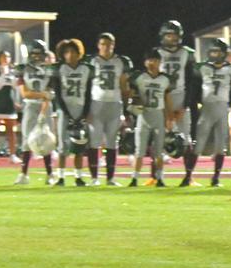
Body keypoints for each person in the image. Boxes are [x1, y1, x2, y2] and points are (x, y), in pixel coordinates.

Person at [155, 21, 201, 187]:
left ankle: (188, 176)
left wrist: (185, 105)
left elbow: (191, 82)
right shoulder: (157, 53)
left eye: (174, 35)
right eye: (168, 35)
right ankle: (158, 177)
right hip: (162, 97)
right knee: (160, 138)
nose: (171, 38)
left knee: (186, 140)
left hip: (181, 96)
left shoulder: (187, 53)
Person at [187, 38, 231, 187]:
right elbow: (194, 88)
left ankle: (216, 178)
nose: (215, 54)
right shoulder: (202, 68)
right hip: (206, 107)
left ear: (224, 53)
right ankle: (188, 176)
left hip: (222, 108)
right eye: (213, 51)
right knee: (198, 144)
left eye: (218, 52)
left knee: (221, 145)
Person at [87, 32, 132, 186]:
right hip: (97, 103)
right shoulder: (92, 61)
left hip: (115, 103)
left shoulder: (121, 61)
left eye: (110, 44)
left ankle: (110, 178)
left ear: (114, 45)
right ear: (98, 45)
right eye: (104, 44)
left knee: (112, 141)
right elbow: (86, 85)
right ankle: (94, 177)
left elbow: (124, 86)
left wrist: (126, 109)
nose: (107, 47)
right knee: (95, 140)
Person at [127, 49, 174, 187]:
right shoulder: (139, 77)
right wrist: (133, 103)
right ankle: (134, 178)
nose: (151, 62)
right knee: (139, 150)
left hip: (158, 114)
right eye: (149, 60)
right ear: (145, 62)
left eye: (154, 60)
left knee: (159, 151)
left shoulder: (165, 79)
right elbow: (131, 94)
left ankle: (160, 178)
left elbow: (167, 99)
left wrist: (169, 117)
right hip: (143, 115)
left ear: (160, 62)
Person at [52, 39, 94, 186]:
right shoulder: (59, 69)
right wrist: (66, 113)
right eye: (67, 52)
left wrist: (84, 113)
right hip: (65, 109)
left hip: (80, 108)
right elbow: (57, 94)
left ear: (79, 53)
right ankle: (61, 177)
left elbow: (88, 93)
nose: (70, 55)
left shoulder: (86, 69)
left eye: (73, 52)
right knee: (63, 145)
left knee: (79, 145)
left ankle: (78, 177)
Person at [13, 39, 55, 185]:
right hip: (30, 106)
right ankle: (23, 174)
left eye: (39, 54)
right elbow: (25, 93)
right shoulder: (22, 69)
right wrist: (42, 95)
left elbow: (49, 94)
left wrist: (44, 110)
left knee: (46, 140)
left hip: (45, 107)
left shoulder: (50, 70)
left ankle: (50, 174)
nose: (37, 57)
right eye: (34, 54)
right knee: (27, 140)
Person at [0, 51, 22, 164]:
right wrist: (3, 73)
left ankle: (12, 155)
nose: (6, 58)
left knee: (11, 131)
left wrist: (14, 74)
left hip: (9, 102)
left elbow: (16, 86)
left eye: (8, 56)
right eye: (3, 56)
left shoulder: (12, 71)